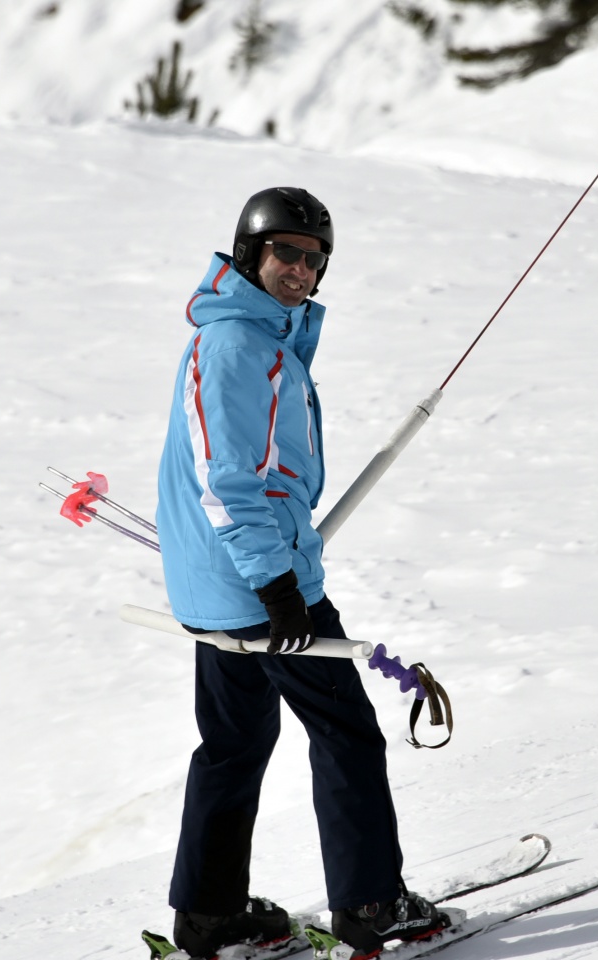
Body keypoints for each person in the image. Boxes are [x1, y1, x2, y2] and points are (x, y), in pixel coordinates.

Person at [154, 187, 444, 959]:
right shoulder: (238, 347)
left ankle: (209, 915)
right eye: (286, 251)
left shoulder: (251, 338)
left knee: (234, 742)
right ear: (251, 253)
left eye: (315, 259)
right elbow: (228, 478)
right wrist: (279, 586)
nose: (301, 270)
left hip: (219, 587)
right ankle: (370, 904)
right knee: (346, 734)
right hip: (260, 586)